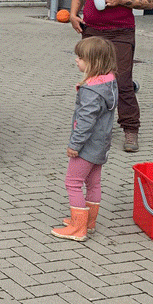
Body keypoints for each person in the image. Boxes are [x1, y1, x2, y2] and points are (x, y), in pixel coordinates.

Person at [68, 0, 153, 153]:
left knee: (122, 81)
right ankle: (89, 123)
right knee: (93, 79)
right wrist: (74, 15)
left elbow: (148, 2)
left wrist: (121, 0)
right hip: (92, 30)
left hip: (120, 32)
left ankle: (130, 129)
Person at [52, 37, 118, 241]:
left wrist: (75, 145)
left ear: (93, 62)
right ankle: (89, 222)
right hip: (102, 143)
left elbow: (85, 120)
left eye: (80, 58)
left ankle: (78, 227)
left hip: (87, 146)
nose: (76, 61)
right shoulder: (110, 81)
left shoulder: (91, 90)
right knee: (93, 183)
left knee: (72, 182)